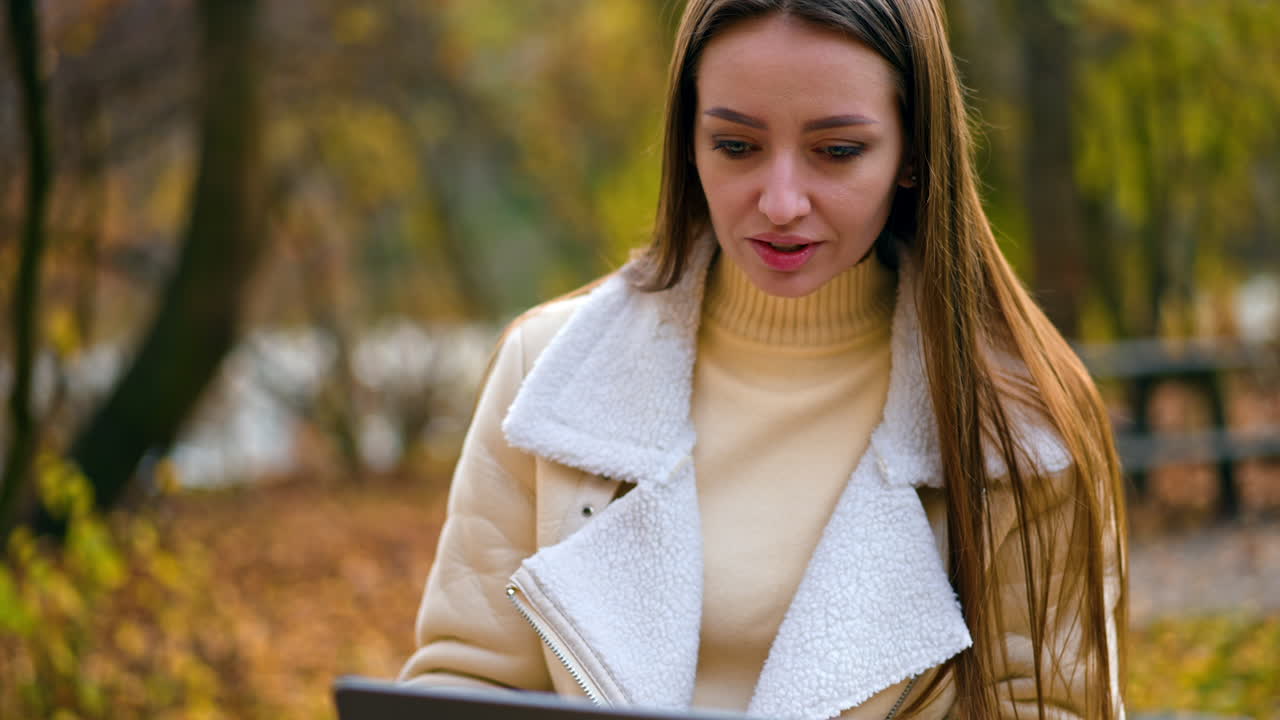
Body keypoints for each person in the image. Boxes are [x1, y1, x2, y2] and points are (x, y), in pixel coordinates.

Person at [399, 1, 1128, 718]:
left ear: (913, 153)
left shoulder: (1019, 421)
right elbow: (465, 681)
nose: (781, 202)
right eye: (737, 146)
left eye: (837, 151)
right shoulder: (546, 371)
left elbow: (1047, 707)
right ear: (690, 142)